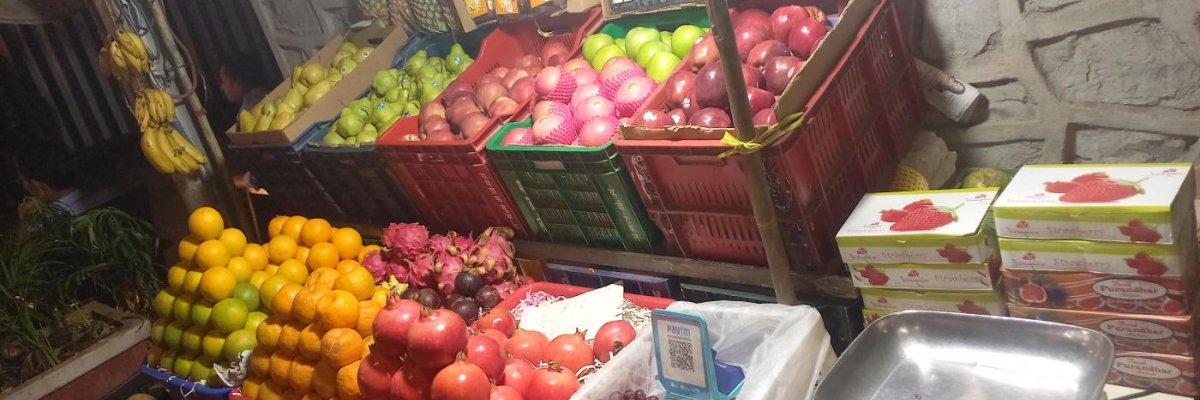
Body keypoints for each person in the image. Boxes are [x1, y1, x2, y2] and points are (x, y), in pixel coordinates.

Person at [15, 139, 84, 215]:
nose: (24, 187)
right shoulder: (92, 199)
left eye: (22, 180)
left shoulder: (49, 220)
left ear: (36, 184)